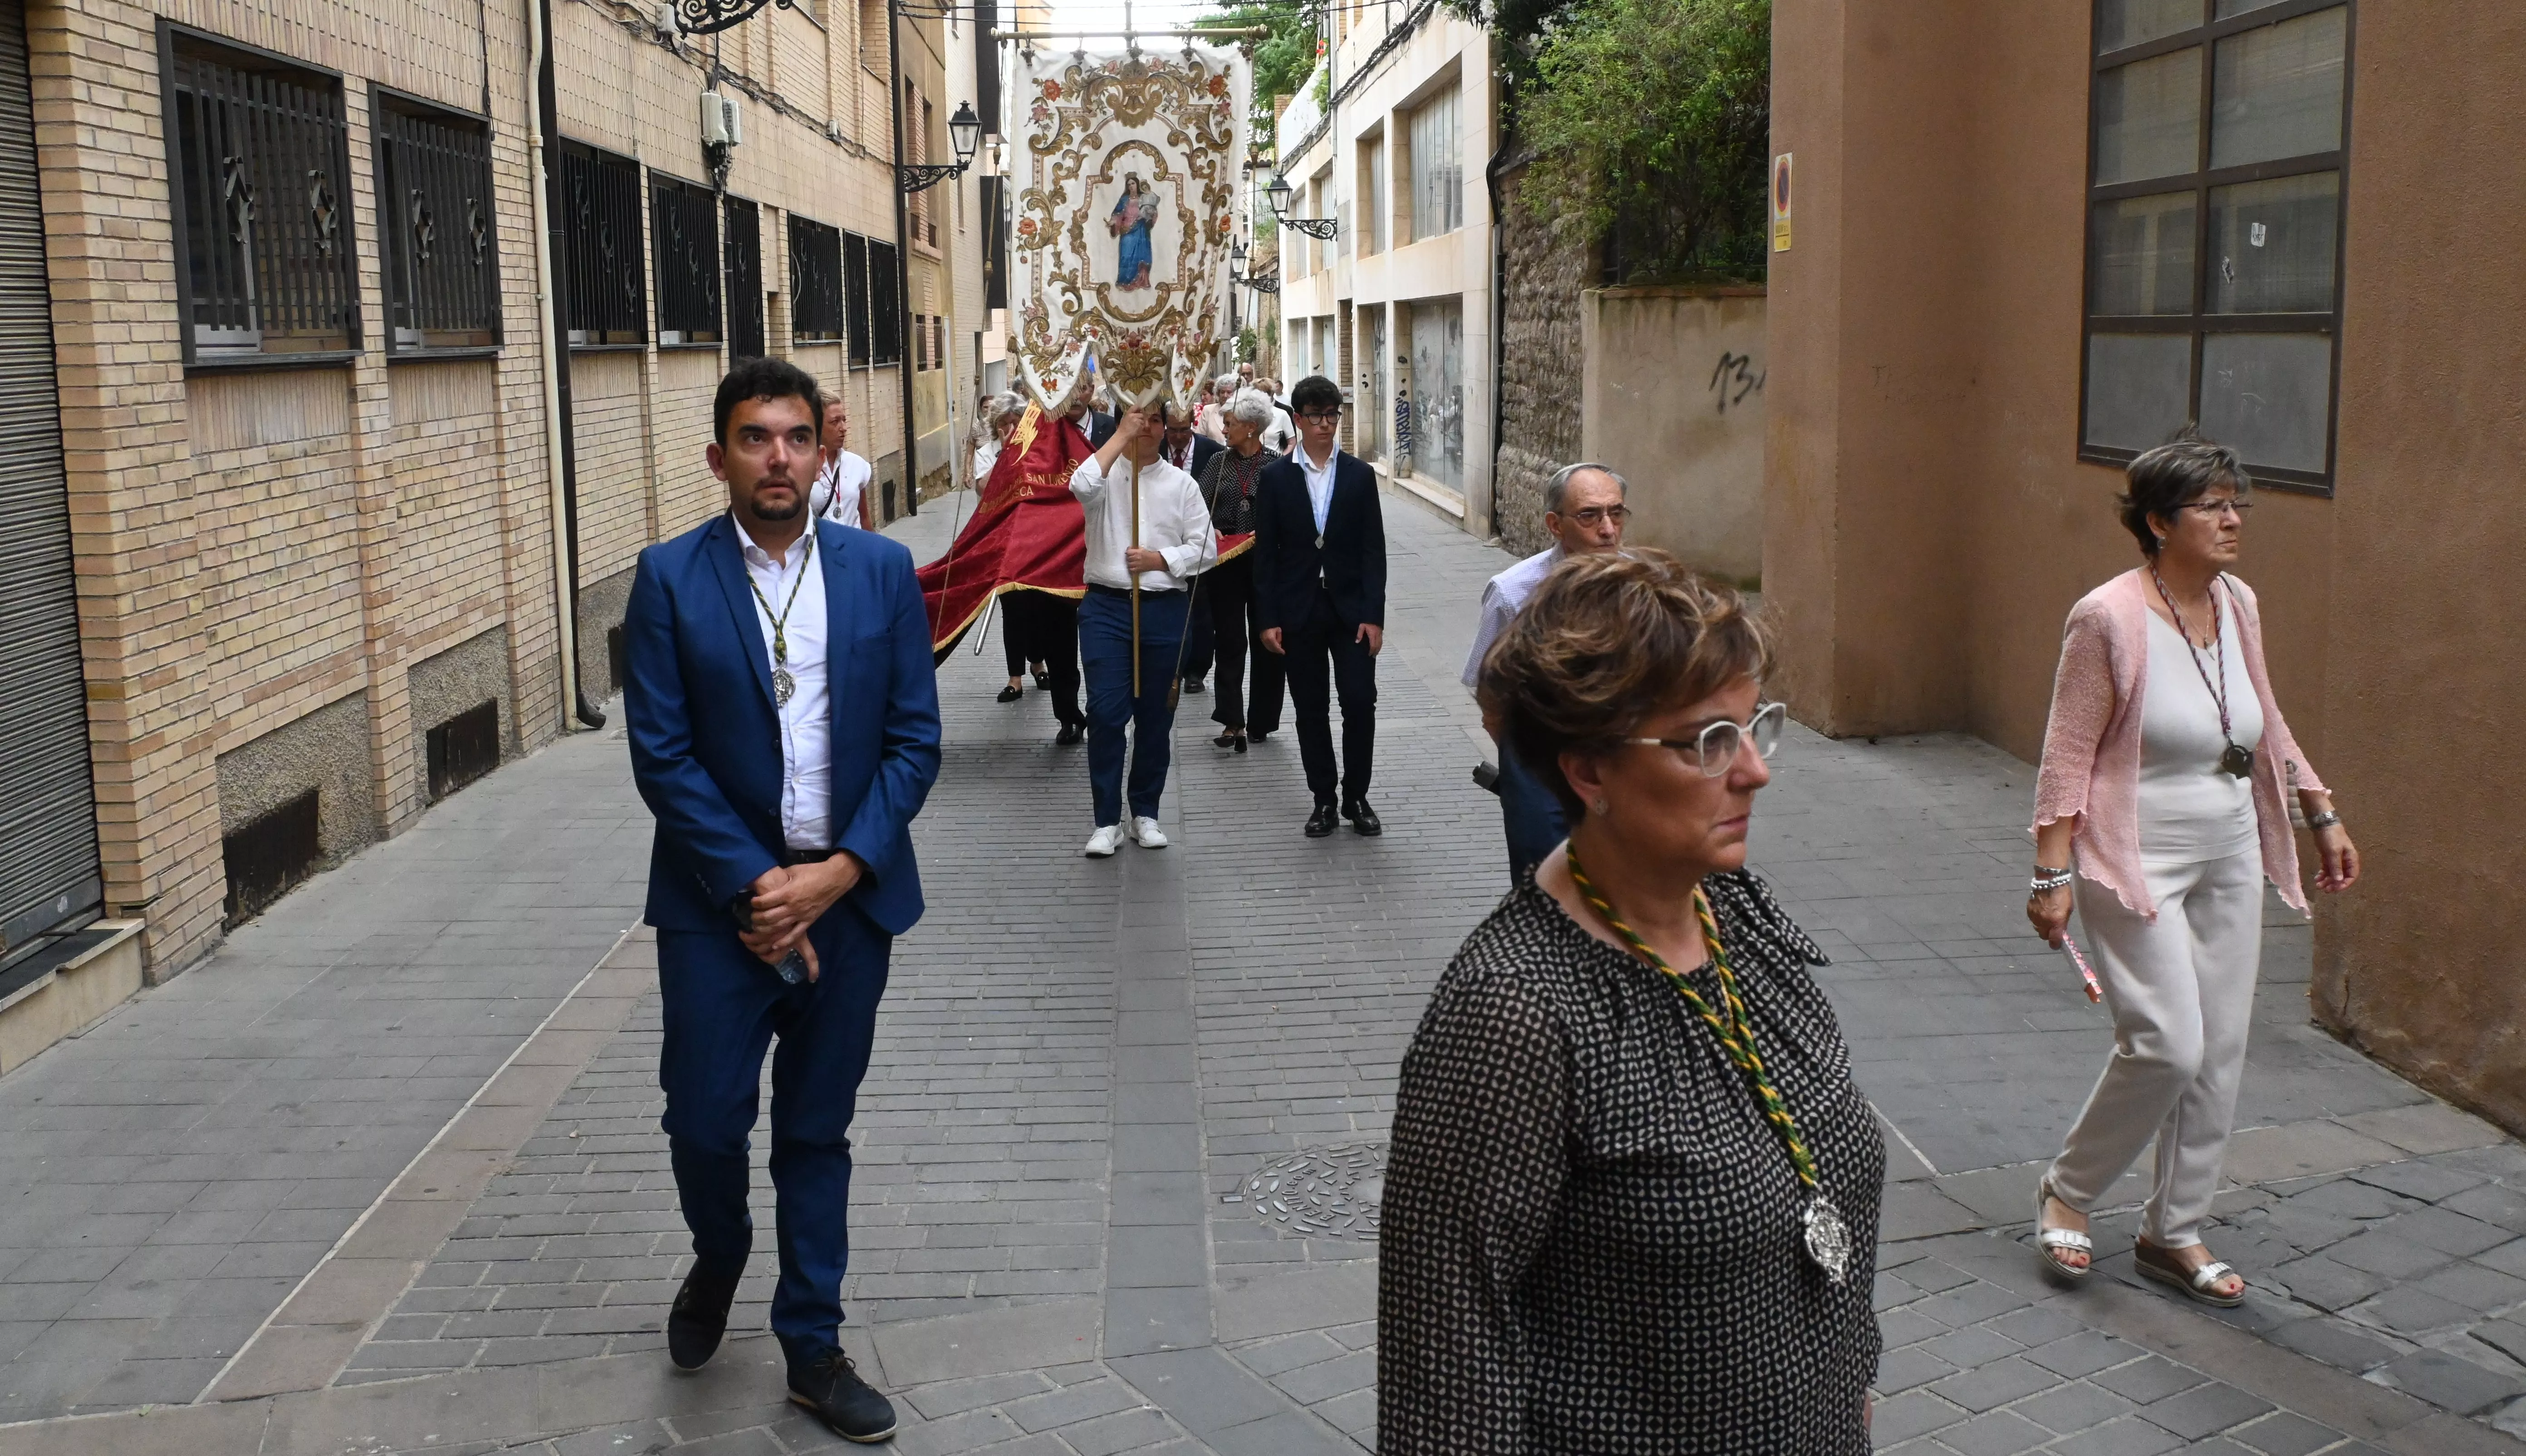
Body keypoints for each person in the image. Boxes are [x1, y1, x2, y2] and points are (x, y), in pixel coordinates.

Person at [1380, 550, 1882, 1454]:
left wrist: (1849, 1376)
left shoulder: (1734, 913)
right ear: (1589, 772)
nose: (1754, 771)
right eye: (1707, 742)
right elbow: (1445, 1370)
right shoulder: (1513, 1015)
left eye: (1754, 727)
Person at [620, 357, 942, 1443]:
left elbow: (913, 741)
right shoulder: (669, 578)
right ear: (719, 458)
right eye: (755, 438)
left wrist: (838, 872)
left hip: (847, 905)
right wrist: (760, 886)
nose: (778, 457)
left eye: (797, 437)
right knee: (703, 1121)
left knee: (815, 1129)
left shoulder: (880, 572)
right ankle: (720, 1249)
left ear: (822, 454)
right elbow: (663, 756)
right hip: (719, 912)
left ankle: (812, 1346)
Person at [2027, 435, 2359, 1305]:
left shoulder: (2236, 602)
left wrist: (2317, 808)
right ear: (2156, 522)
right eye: (2211, 505)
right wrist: (2049, 874)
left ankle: (2171, 1231)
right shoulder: (2106, 617)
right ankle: (2067, 1190)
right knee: (2166, 1046)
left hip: (2230, 848)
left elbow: (2260, 718)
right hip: (2133, 855)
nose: (2232, 518)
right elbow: (2066, 754)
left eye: (2235, 502)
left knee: (2219, 1047)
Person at [1464, 463, 1633, 883]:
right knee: (1546, 887)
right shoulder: (1513, 592)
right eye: (1590, 516)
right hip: (1542, 769)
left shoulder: (1646, 586)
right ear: (1555, 525)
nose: (1608, 529)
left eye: (1616, 513)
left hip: (1628, 764)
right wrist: (1527, 760)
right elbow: (1489, 692)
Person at [1071, 401, 1219, 857]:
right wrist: (1121, 439)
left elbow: (1206, 549)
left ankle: (1145, 812)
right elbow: (1080, 485)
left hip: (1164, 609)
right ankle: (1106, 820)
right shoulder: (1104, 475)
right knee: (1106, 713)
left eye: (1156, 420)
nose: (1148, 428)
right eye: (1138, 418)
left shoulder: (1182, 484)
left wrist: (1160, 559)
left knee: (1156, 717)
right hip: (1108, 608)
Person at [1255, 376, 1386, 837]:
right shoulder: (1275, 478)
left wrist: (1374, 615)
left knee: (1360, 701)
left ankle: (1357, 796)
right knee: (1311, 707)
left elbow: (1373, 550)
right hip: (1299, 609)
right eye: (1316, 416)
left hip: (1351, 610)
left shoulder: (1359, 475)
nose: (1325, 424)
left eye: (1332, 415)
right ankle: (1324, 799)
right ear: (1298, 419)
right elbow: (1265, 555)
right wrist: (1268, 618)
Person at [1193, 390, 1285, 751]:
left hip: (1266, 564)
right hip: (1226, 563)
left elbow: (1291, 515)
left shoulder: (1276, 465)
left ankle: (1262, 720)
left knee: (1268, 639)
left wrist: (1270, 533)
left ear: (1250, 427)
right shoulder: (1218, 462)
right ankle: (1232, 720)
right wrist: (1209, 527)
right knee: (1229, 640)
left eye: (1230, 424)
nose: (1224, 429)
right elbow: (1197, 507)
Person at [972, 393, 1050, 704]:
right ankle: (1015, 677)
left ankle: (1038, 663)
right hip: (1003, 541)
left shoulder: (1038, 449)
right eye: (1003, 423)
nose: (1010, 428)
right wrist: (1005, 455)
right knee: (1013, 608)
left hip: (1035, 538)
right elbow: (985, 489)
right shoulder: (987, 453)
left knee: (1038, 606)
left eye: (1015, 422)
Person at [1154, 402, 1224, 695]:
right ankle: (1170, 666)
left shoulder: (1213, 452)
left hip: (1198, 541)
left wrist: (1215, 525)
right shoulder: (1154, 449)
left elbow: (1221, 494)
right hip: (1162, 542)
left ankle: (1196, 670)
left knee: (1201, 609)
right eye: (1173, 430)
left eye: (1185, 430)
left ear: (1193, 425)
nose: (1179, 437)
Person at [808, 391, 873, 530]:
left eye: (844, 420)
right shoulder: (803, 468)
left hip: (854, 542)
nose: (844, 428)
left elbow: (864, 518)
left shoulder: (856, 464)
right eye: (835, 422)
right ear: (816, 425)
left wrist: (872, 543)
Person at [1108, 173, 1156, 290]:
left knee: (1141, 256)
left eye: (1133, 184)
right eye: (1129, 184)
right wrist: (1113, 223)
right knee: (1126, 255)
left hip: (1141, 230)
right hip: (1127, 231)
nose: (1131, 186)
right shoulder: (1124, 200)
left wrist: (1150, 215)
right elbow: (1117, 214)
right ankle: (1124, 281)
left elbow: (1152, 210)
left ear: (1137, 184)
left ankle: (1142, 281)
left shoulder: (1144, 198)